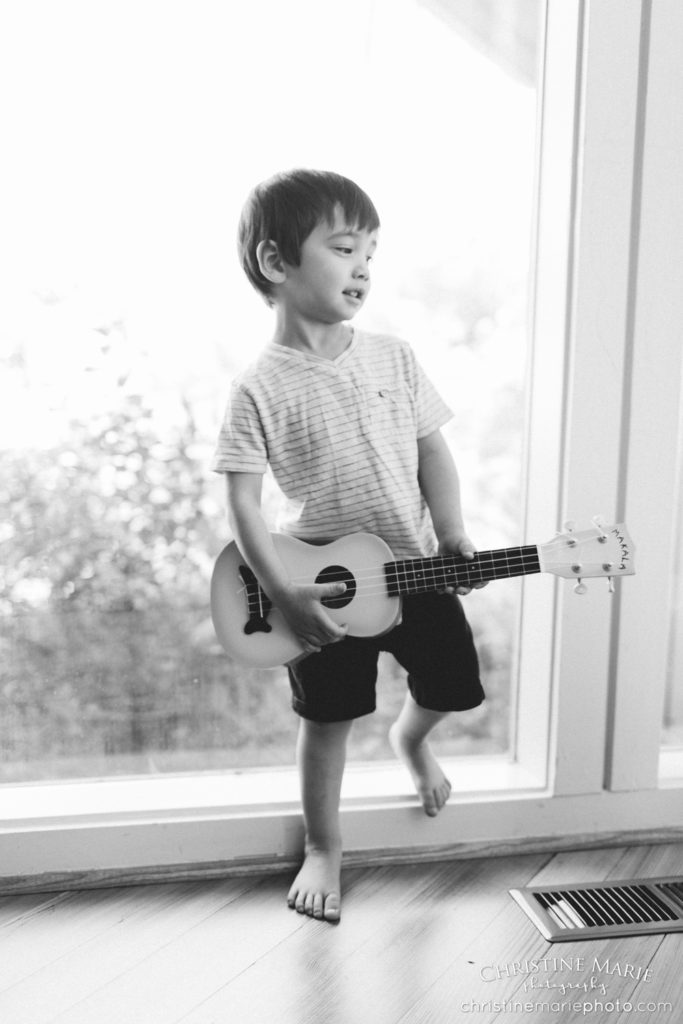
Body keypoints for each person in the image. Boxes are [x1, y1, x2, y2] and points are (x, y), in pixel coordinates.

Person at [212, 168, 485, 923]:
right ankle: (324, 847)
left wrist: (453, 531)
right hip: (323, 587)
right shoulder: (257, 388)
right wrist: (288, 592)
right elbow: (241, 502)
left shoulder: (393, 356)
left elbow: (434, 452)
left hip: (416, 566)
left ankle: (410, 738)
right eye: (342, 247)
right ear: (276, 263)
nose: (364, 265)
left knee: (453, 684)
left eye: (370, 251)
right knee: (326, 723)